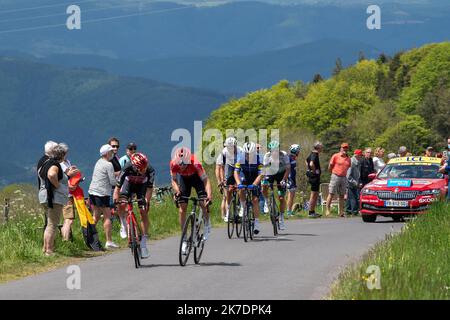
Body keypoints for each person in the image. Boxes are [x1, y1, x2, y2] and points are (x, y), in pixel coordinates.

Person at [171, 147, 212, 254]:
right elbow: (174, 180)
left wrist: (209, 195)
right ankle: (184, 238)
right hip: (184, 180)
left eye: (184, 164)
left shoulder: (195, 163)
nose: (182, 166)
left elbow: (206, 180)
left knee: (203, 202)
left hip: (197, 179)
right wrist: (177, 191)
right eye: (180, 164)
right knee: (182, 208)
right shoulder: (173, 164)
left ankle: (207, 224)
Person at [114, 152, 155, 259]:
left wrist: (146, 200)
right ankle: (123, 222)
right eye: (142, 169)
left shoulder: (150, 170)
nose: (144, 170)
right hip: (129, 184)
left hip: (142, 186)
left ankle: (144, 244)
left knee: (143, 211)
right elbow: (117, 188)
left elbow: (150, 189)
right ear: (135, 167)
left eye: (145, 167)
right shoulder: (127, 168)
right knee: (121, 203)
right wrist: (116, 201)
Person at [38, 144, 75, 256]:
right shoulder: (55, 164)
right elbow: (51, 174)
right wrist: (58, 186)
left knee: (49, 223)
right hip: (54, 197)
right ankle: (49, 250)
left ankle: (45, 248)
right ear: (63, 155)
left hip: (44, 195)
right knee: (52, 225)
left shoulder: (46, 162)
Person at [88, 144, 118, 250]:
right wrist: (119, 183)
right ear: (106, 153)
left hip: (92, 191)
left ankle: (89, 238)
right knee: (107, 216)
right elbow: (112, 180)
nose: (112, 153)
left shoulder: (99, 162)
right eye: (111, 151)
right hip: (102, 193)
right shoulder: (108, 164)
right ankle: (109, 241)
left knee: (95, 216)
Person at [234, 142, 264, 234]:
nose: (248, 156)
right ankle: (243, 206)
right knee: (241, 189)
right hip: (245, 176)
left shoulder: (259, 158)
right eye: (247, 154)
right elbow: (236, 172)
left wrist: (255, 184)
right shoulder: (240, 158)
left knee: (255, 200)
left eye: (250, 154)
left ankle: (257, 222)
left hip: (255, 177)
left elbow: (261, 174)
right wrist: (238, 183)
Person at [261, 140, 291, 230]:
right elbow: (264, 169)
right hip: (270, 173)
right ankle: (267, 201)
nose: (274, 152)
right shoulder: (267, 156)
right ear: (270, 150)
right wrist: (263, 179)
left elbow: (288, 169)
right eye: (272, 150)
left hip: (281, 175)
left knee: (281, 198)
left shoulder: (284, 155)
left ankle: (281, 217)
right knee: (264, 186)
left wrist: (284, 180)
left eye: (276, 150)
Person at [215, 137, 243, 222]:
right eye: (228, 147)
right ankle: (228, 212)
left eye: (232, 147)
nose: (230, 149)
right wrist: (223, 180)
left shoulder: (240, 151)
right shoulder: (224, 152)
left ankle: (242, 205)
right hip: (230, 167)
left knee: (240, 186)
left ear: (235, 146)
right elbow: (221, 168)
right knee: (229, 189)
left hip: (240, 166)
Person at [59, 143, 80, 241]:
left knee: (68, 218)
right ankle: (65, 240)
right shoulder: (59, 164)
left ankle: (66, 238)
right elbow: (60, 179)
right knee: (69, 219)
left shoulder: (67, 162)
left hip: (70, 193)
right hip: (65, 194)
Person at [326, 143, 351, 217]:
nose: (345, 149)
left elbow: (348, 168)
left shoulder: (348, 159)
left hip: (344, 177)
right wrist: (333, 173)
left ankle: (341, 212)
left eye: (346, 148)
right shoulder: (335, 156)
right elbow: (330, 166)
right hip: (335, 176)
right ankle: (327, 210)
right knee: (331, 193)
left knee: (342, 195)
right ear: (340, 148)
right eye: (343, 148)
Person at [306, 142, 323, 218]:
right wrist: (314, 170)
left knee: (314, 194)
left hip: (313, 176)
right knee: (314, 194)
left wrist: (309, 169)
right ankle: (311, 212)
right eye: (321, 146)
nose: (322, 147)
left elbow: (306, 161)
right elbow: (311, 163)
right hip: (314, 177)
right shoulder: (315, 154)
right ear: (318, 147)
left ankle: (312, 211)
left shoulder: (312, 153)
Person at [346, 149, 363, 216]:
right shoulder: (351, 162)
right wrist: (356, 183)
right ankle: (354, 211)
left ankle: (348, 211)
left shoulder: (358, 162)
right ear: (356, 155)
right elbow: (348, 176)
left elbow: (358, 174)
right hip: (351, 183)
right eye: (360, 155)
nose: (361, 157)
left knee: (350, 197)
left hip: (356, 182)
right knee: (353, 197)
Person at [286, 144, 301, 218]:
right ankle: (288, 212)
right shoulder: (289, 158)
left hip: (293, 178)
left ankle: (290, 211)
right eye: (298, 150)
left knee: (292, 195)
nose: (299, 152)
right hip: (290, 178)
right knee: (290, 195)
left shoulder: (293, 158)